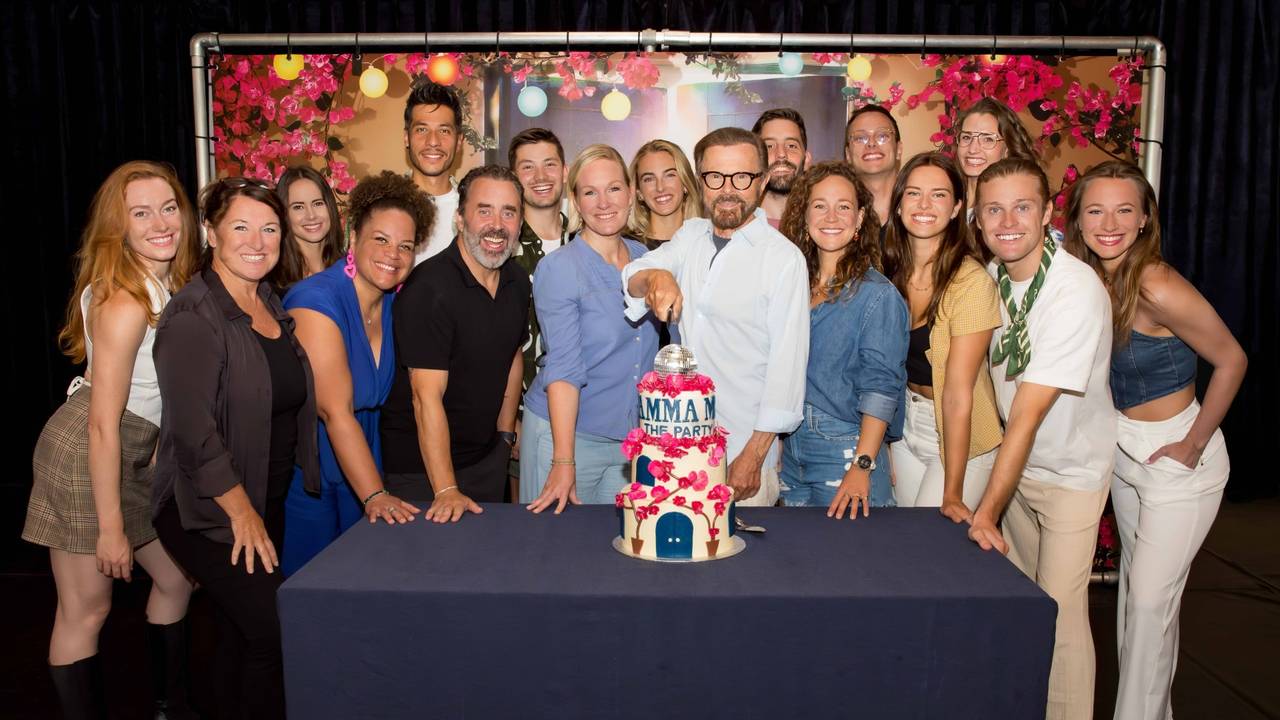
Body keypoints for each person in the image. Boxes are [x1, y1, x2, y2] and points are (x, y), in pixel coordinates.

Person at [1063, 161, 1247, 720]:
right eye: (1096, 210)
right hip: (1124, 453)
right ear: (1078, 219)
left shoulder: (1156, 284)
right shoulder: (1088, 279)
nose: (1109, 224)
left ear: (1145, 219)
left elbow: (1233, 359)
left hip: (1178, 459)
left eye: (1124, 210)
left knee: (1147, 605)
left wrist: (1192, 444)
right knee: (1138, 605)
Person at [24, 160, 199, 719]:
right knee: (87, 609)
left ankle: (168, 707)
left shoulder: (165, 284)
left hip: (134, 452)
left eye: (168, 208)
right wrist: (111, 528)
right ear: (117, 226)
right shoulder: (125, 300)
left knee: (177, 578)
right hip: (89, 452)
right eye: (140, 213)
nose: (160, 224)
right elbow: (103, 424)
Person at [152, 177, 320, 720]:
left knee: (235, 633)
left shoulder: (267, 300)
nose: (257, 241)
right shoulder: (192, 316)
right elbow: (194, 434)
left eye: (270, 229)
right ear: (211, 232)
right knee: (273, 632)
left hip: (263, 496)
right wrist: (243, 513)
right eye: (241, 227)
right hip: (209, 510)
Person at [966, 158, 1116, 720]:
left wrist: (985, 511)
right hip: (1020, 468)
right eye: (993, 209)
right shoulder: (993, 275)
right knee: (1027, 605)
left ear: (1048, 212)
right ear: (978, 219)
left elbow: (1027, 414)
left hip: (1071, 473)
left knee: (1060, 613)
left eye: (1022, 207)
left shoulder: (1073, 290)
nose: (1007, 222)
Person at [622, 127, 809, 507]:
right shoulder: (690, 235)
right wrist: (657, 277)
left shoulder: (783, 259)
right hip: (679, 446)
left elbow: (786, 374)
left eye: (742, 177)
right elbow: (633, 276)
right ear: (699, 180)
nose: (727, 189)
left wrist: (753, 456)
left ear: (763, 181)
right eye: (715, 177)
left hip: (742, 452)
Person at [280, 172, 436, 575]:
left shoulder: (392, 303)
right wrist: (375, 495)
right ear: (353, 239)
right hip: (313, 468)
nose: (393, 254)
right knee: (313, 585)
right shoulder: (315, 300)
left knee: (362, 580)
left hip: (366, 456)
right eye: (380, 239)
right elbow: (334, 412)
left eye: (405, 246)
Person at [380, 165, 530, 521]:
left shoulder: (517, 281)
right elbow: (425, 398)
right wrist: (446, 489)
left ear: (520, 223)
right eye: (484, 211)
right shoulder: (429, 288)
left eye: (508, 213)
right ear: (460, 219)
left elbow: (512, 355)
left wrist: (505, 435)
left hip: (485, 458)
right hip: (421, 472)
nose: (497, 225)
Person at [519, 144, 664, 513]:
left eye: (613, 188)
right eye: (589, 192)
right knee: (550, 542)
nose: (603, 203)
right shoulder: (560, 268)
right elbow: (564, 368)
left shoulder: (647, 260)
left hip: (629, 443)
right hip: (566, 436)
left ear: (631, 193)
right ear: (576, 202)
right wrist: (563, 460)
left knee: (617, 542)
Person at [776, 162, 907, 516]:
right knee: (797, 551)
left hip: (846, 449)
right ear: (804, 215)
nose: (831, 217)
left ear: (860, 217)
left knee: (849, 551)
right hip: (792, 449)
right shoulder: (792, 286)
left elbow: (882, 389)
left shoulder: (877, 295)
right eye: (819, 205)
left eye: (843, 206)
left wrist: (863, 464)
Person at [881, 153, 1004, 518]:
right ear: (899, 204)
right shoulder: (887, 271)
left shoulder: (971, 282)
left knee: (927, 541)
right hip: (905, 426)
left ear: (956, 208)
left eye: (938, 195)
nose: (924, 205)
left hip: (960, 435)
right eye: (913, 193)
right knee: (904, 539)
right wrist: (884, 441)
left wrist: (953, 491)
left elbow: (957, 394)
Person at [508, 127, 570, 391]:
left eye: (549, 164)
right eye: (528, 167)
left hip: (586, 403)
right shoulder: (503, 252)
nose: (540, 176)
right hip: (522, 403)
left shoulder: (587, 243)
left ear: (565, 171)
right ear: (514, 177)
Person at [405, 80, 464, 264]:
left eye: (444, 131)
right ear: (406, 138)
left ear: (459, 141)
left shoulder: (474, 209)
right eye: (422, 129)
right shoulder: (380, 206)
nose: (432, 141)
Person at [949, 97, 1041, 212]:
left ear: (1007, 149)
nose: (972, 149)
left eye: (988, 139)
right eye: (966, 137)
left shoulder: (1018, 208)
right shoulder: (947, 202)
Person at [272, 165, 345, 288]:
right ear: (284, 214)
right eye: (298, 207)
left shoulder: (350, 269)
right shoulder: (274, 281)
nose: (311, 216)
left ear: (330, 206)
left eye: (318, 204)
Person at [627, 139, 702, 249]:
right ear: (639, 192)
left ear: (685, 183)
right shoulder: (626, 247)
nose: (660, 188)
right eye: (649, 179)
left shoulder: (706, 243)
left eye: (669, 175)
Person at [844, 104, 903, 230]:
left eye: (882, 136)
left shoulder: (919, 207)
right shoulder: (838, 215)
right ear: (848, 154)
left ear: (899, 149)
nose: (871, 143)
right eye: (860, 138)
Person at [751, 108, 811, 227]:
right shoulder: (736, 227)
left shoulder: (823, 225)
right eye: (769, 146)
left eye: (791, 146)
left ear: (806, 160)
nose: (781, 154)